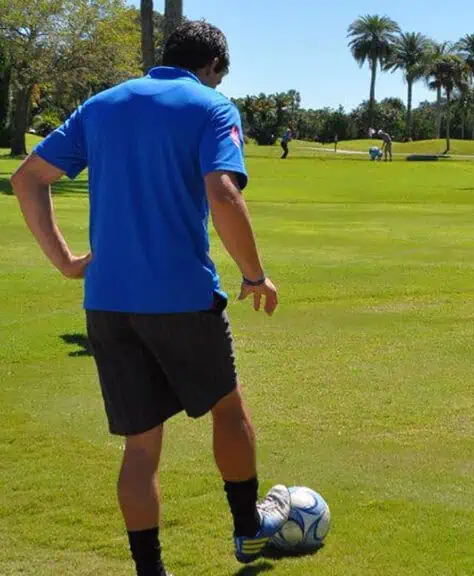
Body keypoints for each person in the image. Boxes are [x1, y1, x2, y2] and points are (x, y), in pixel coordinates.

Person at [10, 20, 291, 575]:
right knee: (228, 411)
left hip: (108, 304)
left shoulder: (101, 105)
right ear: (212, 66)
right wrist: (255, 275)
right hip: (183, 297)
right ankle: (248, 532)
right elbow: (222, 189)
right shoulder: (211, 106)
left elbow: (27, 178)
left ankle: (149, 571)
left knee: (140, 449)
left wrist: (67, 262)